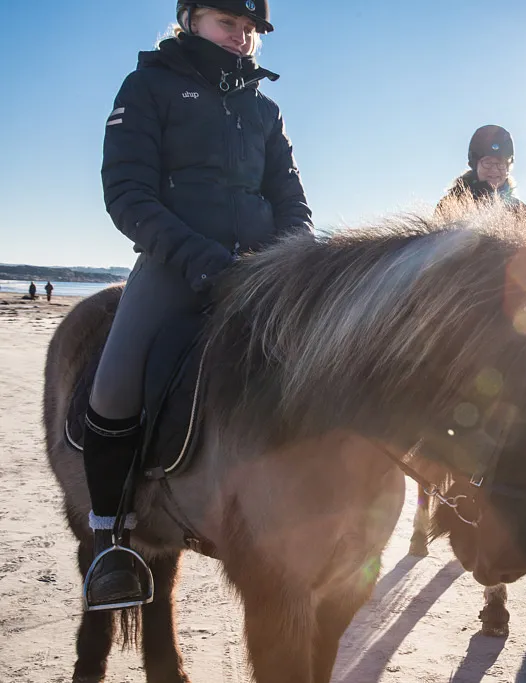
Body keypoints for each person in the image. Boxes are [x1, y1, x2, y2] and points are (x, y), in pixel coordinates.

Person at [83, 0, 312, 609]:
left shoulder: (265, 107)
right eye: (226, 24)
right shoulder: (148, 86)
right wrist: (202, 258)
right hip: (175, 266)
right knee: (113, 389)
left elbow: (290, 196)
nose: (240, 39)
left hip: (261, 273)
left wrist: (296, 260)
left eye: (248, 30)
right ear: (190, 20)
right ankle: (112, 540)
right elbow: (127, 193)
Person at [436, 124, 526, 226]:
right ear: (475, 166)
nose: (495, 169)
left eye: (501, 163)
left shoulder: (521, 211)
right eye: (487, 163)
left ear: (508, 168)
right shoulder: (450, 205)